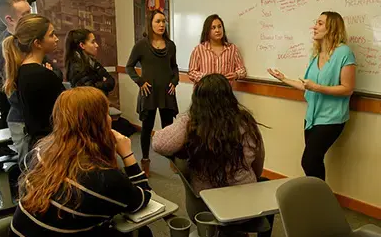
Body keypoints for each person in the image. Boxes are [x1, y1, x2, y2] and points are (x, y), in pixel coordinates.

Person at [10, 87, 153, 237]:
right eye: (106, 113)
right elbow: (143, 198)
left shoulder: (39, 151)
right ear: (99, 124)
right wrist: (127, 155)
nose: (110, 118)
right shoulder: (103, 178)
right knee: (141, 235)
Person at [152, 73, 273, 237]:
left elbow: (158, 143)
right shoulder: (245, 122)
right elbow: (258, 162)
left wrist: (187, 118)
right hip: (246, 208)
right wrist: (251, 182)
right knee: (265, 183)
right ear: (229, 97)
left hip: (203, 209)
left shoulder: (192, 124)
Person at [267, 11, 356, 181]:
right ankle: (317, 198)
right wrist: (283, 79)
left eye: (320, 23)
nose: (314, 27)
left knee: (309, 161)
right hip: (312, 118)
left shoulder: (344, 53)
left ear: (332, 28)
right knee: (314, 161)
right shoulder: (316, 54)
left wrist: (317, 87)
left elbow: (347, 88)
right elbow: (308, 86)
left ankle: (319, 199)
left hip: (332, 118)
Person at [126, 9, 179, 176]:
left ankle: (172, 160)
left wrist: (175, 82)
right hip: (149, 93)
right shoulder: (141, 45)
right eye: (158, 21)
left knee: (168, 129)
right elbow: (129, 66)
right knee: (147, 129)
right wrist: (140, 82)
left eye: (164, 21)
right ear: (150, 24)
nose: (162, 24)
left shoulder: (170, 45)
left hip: (166, 92)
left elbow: (174, 67)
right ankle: (145, 161)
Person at [2, 14, 65, 153]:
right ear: (37, 43)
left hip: (40, 142)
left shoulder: (23, 71)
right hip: (51, 144)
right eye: (51, 35)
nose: (56, 39)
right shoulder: (41, 75)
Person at [0, 0, 30, 128]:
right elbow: (14, 92)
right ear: (10, 19)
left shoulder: (29, 40)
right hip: (25, 120)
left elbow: (54, 72)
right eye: (26, 14)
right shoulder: (7, 47)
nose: (31, 18)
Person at [188, 14, 247, 83]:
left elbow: (242, 70)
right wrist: (207, 78)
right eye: (213, 28)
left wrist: (236, 75)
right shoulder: (199, 49)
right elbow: (191, 73)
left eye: (219, 27)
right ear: (207, 31)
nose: (217, 30)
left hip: (224, 91)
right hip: (205, 92)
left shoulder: (232, 49)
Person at [64, 29, 115, 95]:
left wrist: (98, 83)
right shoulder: (77, 67)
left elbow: (111, 81)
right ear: (82, 45)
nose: (97, 45)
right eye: (93, 42)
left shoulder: (92, 62)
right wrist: (102, 82)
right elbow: (89, 92)